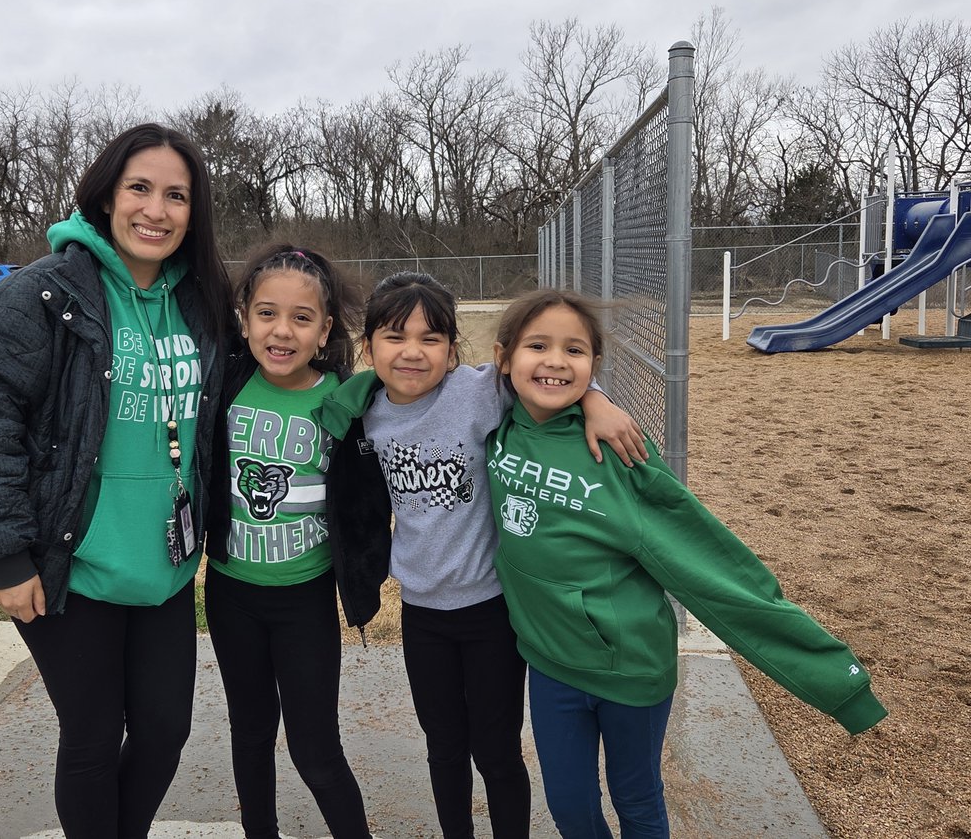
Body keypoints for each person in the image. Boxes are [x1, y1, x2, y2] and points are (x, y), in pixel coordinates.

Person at [0, 123, 236, 839]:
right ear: (105, 196)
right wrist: (5, 557)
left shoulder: (204, 301)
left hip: (162, 565)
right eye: (140, 189)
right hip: (68, 562)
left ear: (195, 212)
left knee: (164, 732)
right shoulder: (39, 294)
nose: (156, 210)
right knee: (94, 738)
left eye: (177, 195)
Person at [486, 288, 888, 838]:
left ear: (594, 366)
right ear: (504, 358)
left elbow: (711, 570)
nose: (556, 361)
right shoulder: (496, 423)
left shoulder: (618, 454)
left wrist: (835, 683)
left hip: (630, 668)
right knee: (570, 806)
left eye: (574, 351)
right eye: (538, 345)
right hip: (549, 664)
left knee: (637, 801)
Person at [318, 272, 646, 839]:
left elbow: (544, 375)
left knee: (495, 749)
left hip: (491, 610)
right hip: (423, 613)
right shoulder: (363, 414)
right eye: (395, 337)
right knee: (444, 747)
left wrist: (595, 399)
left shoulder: (475, 393)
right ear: (369, 347)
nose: (413, 351)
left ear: (453, 352)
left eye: (431, 338)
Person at [204, 244, 373, 839]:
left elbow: (443, 383)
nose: (282, 331)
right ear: (244, 317)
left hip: (305, 602)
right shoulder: (219, 386)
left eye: (302, 319)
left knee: (315, 749)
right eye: (267, 313)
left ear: (325, 329)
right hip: (231, 596)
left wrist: (590, 397)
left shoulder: (347, 400)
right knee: (250, 736)